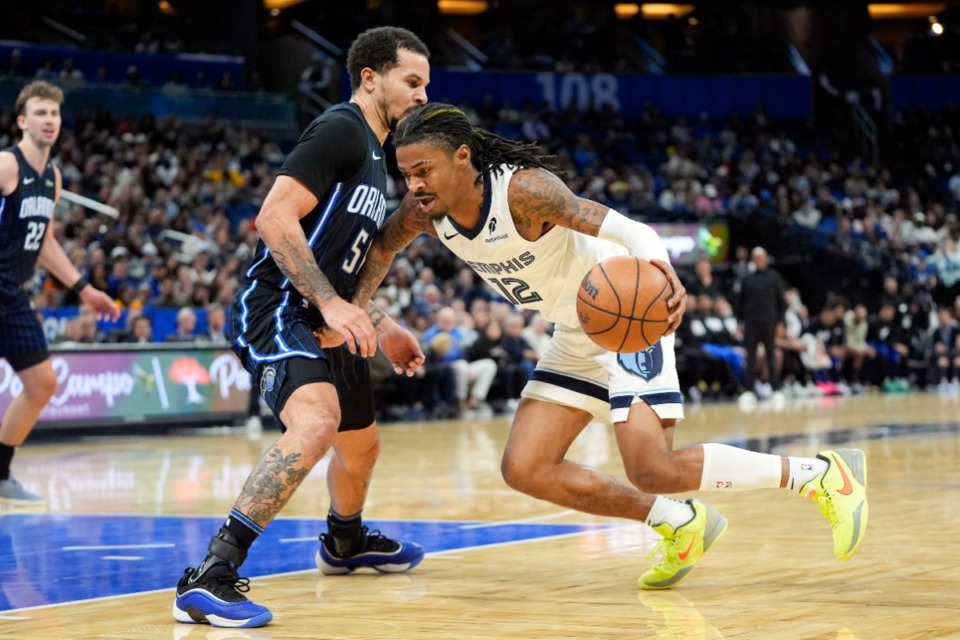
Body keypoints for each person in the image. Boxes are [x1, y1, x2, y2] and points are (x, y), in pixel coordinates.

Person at [352, 103, 869, 591]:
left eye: (425, 169)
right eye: (406, 173)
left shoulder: (523, 192)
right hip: (575, 331)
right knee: (525, 467)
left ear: (463, 156)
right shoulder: (426, 210)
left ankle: (822, 475)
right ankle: (679, 522)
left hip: (627, 318)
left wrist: (662, 277)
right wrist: (359, 311)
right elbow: (379, 251)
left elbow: (630, 229)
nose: (415, 184)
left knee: (652, 468)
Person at [173, 27, 431, 629]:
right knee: (317, 423)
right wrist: (335, 307)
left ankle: (344, 543)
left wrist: (375, 318)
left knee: (361, 444)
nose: (421, 96)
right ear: (371, 78)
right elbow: (273, 217)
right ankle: (209, 576)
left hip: (325, 311)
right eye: (411, 82)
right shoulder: (342, 128)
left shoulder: (379, 153)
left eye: (426, 85)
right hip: (278, 306)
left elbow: (357, 255)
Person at [0, 81, 119, 505]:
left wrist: (85, 289)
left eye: (54, 113)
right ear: (21, 121)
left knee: (42, 383)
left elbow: (46, 242)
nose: (49, 120)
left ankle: (0, 473)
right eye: (40, 113)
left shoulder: (51, 177)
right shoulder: (6, 165)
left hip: (11, 291)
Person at [737, 247, 786, 405]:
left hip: (769, 323)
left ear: (766, 259)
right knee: (750, 357)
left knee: (771, 355)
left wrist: (781, 323)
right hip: (751, 324)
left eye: (762, 258)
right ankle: (749, 390)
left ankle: (776, 388)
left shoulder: (775, 277)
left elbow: (781, 303)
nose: (759, 261)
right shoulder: (747, 279)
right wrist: (740, 322)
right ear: (753, 260)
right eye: (756, 258)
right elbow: (740, 302)